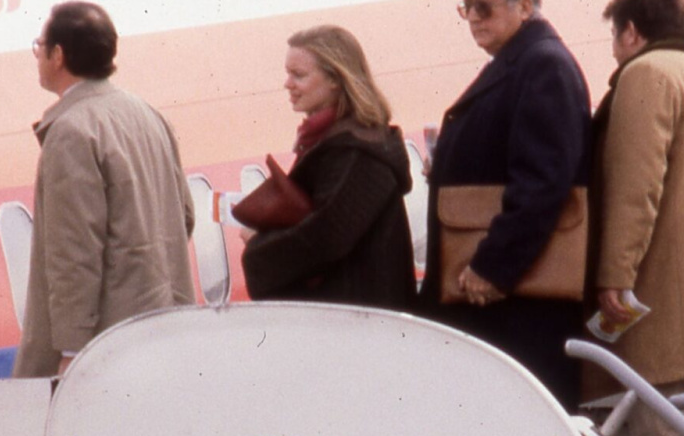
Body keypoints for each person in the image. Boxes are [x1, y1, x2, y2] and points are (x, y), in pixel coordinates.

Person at [418, 0, 591, 408]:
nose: (474, 17)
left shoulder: (542, 65)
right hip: (511, 307)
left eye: (485, 6)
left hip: (516, 305)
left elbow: (543, 182)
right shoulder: (525, 62)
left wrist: (493, 267)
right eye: (466, 8)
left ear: (526, 6)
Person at [14, 2, 196, 378]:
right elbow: (186, 216)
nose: (37, 55)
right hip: (163, 334)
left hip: (106, 351)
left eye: (40, 45)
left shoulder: (71, 131)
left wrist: (70, 352)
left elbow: (74, 255)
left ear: (58, 55)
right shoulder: (145, 113)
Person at [240, 26, 415, 309]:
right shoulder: (336, 142)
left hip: (360, 320)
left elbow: (326, 236)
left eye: (299, 75)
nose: (288, 84)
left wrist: (258, 247)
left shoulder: (356, 151)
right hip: (355, 312)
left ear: (336, 78)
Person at [590, 0, 684, 436]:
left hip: (659, 300)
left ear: (630, 32)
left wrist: (616, 275)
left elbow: (636, 187)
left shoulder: (647, 74)